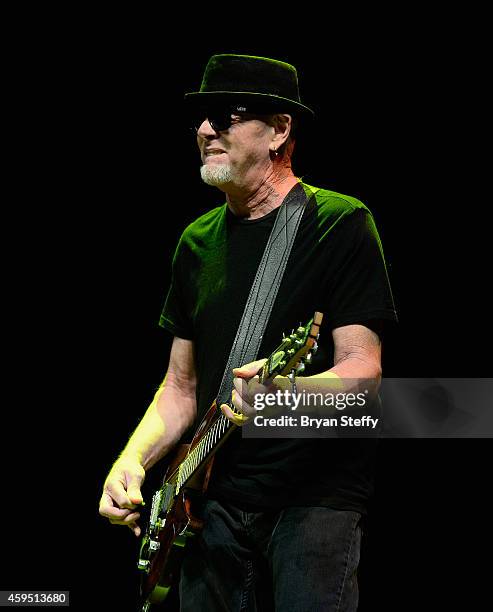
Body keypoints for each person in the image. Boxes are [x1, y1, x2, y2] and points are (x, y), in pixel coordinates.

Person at [99, 54, 397, 611]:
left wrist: (284, 396)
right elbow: (180, 389)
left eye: (228, 115)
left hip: (311, 504)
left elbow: (364, 373)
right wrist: (131, 462)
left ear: (280, 130)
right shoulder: (196, 241)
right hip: (210, 506)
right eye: (203, 119)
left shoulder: (340, 223)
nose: (207, 130)